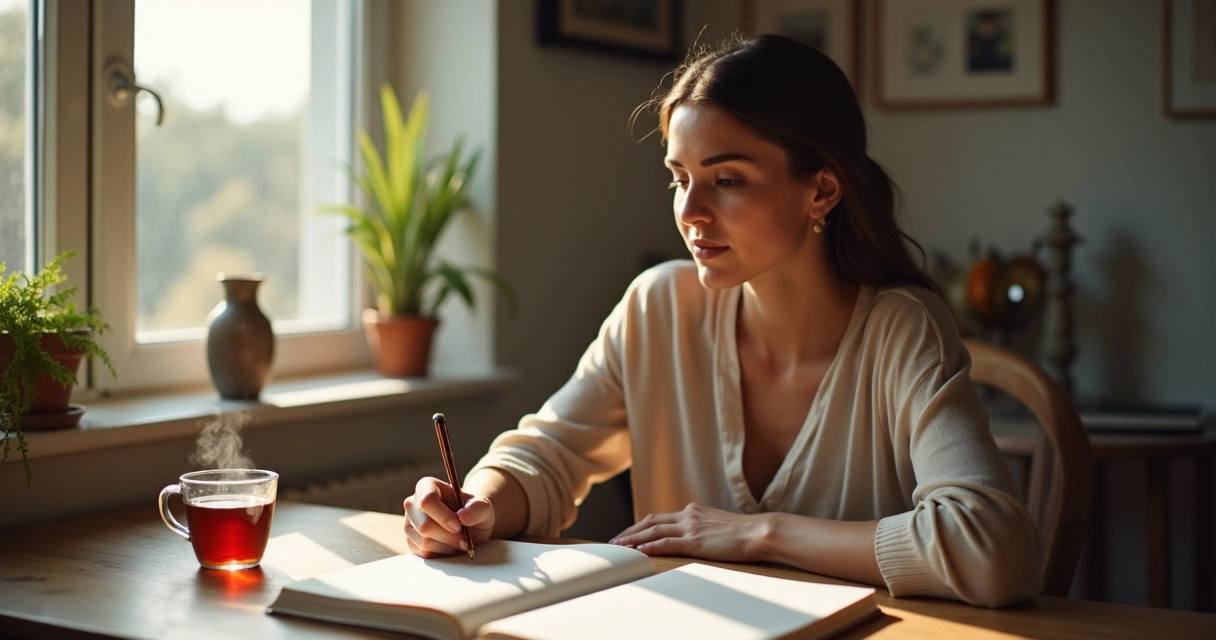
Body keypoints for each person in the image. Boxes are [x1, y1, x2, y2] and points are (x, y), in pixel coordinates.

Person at [403, 34, 1042, 608]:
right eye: (679, 177)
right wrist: (478, 502)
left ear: (821, 190)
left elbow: (991, 549)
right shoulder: (657, 307)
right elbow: (549, 455)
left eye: (727, 179)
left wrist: (757, 534)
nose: (691, 212)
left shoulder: (904, 328)